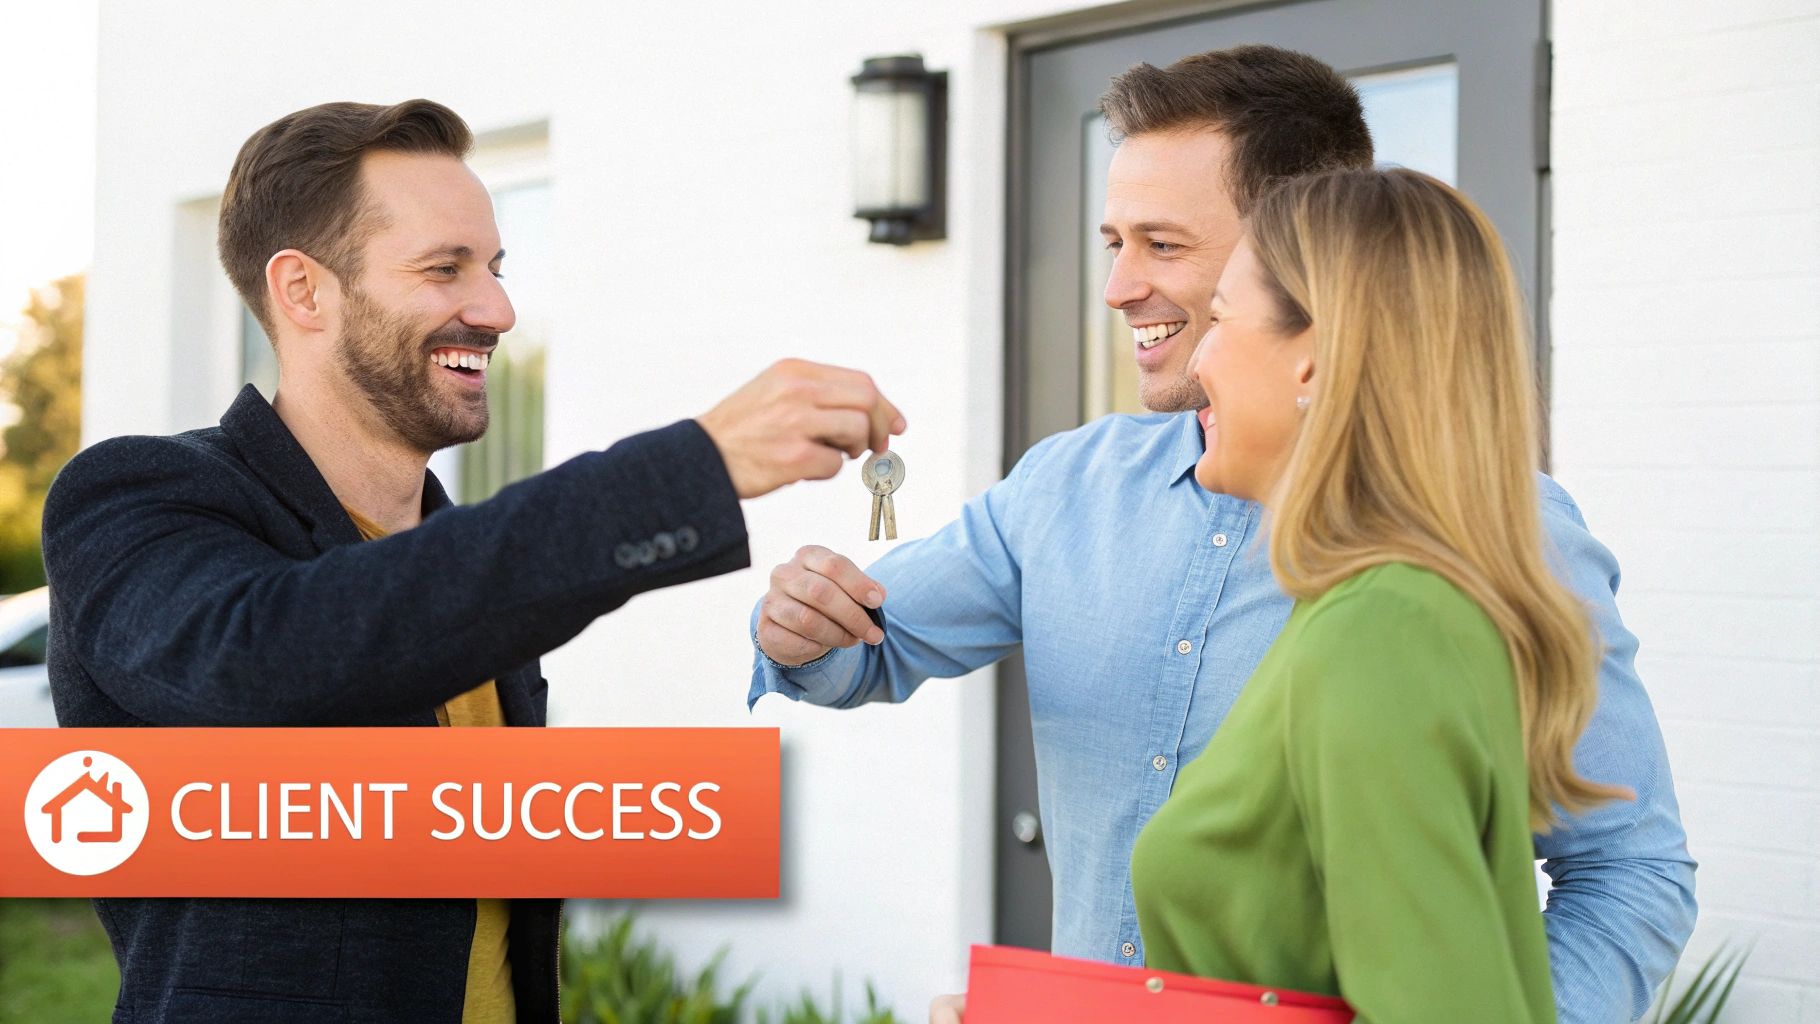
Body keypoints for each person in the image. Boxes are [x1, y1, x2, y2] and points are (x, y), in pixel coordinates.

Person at [745, 47, 1695, 1024]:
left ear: (1305, 254)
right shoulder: (1066, 485)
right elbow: (868, 645)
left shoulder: (1462, 555)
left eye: (1161, 245)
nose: (1115, 287)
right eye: (1111, 240)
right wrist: (800, 629)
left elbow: (1624, 876)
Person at [42, 99, 903, 1024]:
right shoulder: (137, 493)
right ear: (302, 291)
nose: (496, 309)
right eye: (444, 268)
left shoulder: (459, 563)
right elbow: (267, 655)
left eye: (494, 268)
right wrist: (692, 465)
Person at [1132, 166, 1627, 1022]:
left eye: (1217, 319)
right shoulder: (1366, 607)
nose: (1197, 356)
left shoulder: (1383, 630)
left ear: (1315, 362)